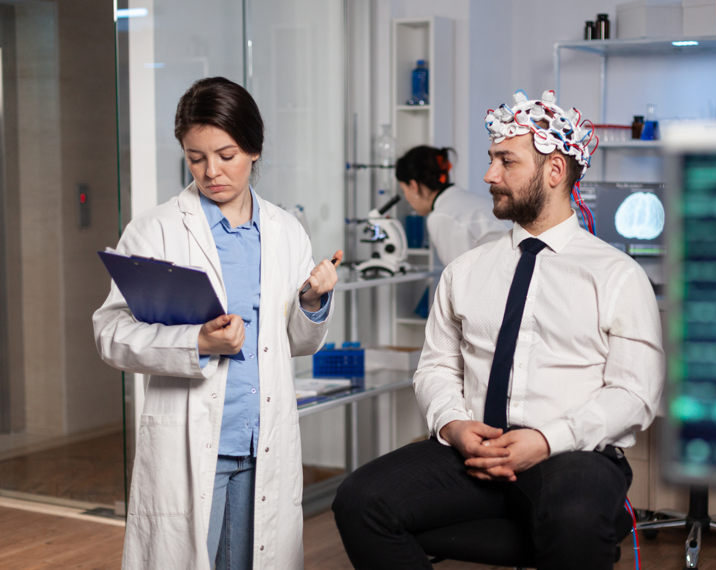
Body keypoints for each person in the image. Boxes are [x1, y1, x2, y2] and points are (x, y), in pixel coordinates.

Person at [332, 90, 664, 570]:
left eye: (506, 161)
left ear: (554, 171)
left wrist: (548, 439)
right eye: (491, 160)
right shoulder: (466, 271)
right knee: (360, 500)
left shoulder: (615, 275)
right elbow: (436, 368)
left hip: (571, 452)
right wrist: (453, 425)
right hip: (473, 450)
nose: (489, 175)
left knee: (574, 514)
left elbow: (635, 393)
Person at [93, 77, 341, 570]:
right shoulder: (157, 229)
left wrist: (313, 301)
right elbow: (111, 333)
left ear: (253, 148)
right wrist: (197, 341)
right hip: (189, 440)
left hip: (261, 440)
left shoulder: (285, 230)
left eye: (225, 155)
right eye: (195, 157)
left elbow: (296, 342)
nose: (211, 172)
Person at [396, 145, 511, 266]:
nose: (406, 198)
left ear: (414, 186)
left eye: (404, 190)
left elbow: (460, 278)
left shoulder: (442, 216)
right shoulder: (463, 200)